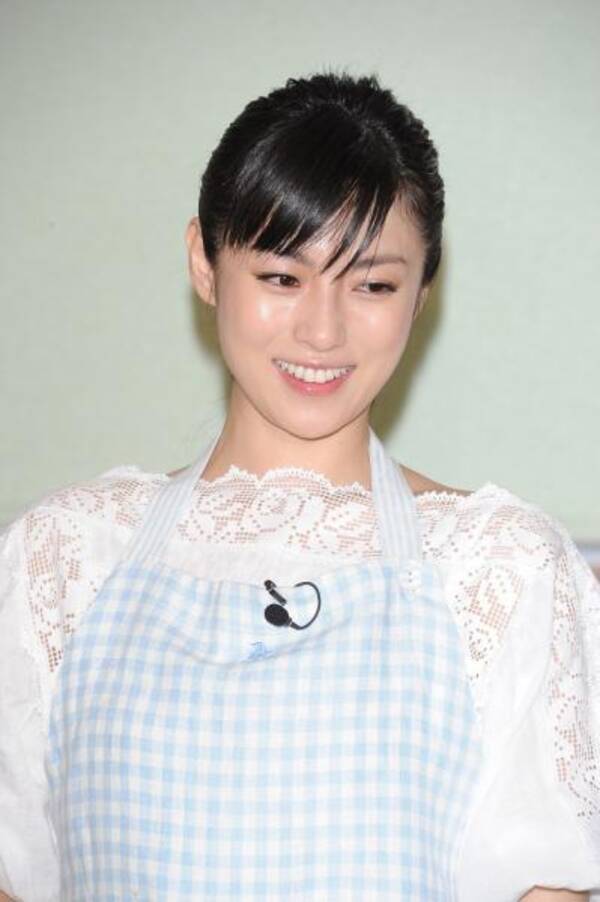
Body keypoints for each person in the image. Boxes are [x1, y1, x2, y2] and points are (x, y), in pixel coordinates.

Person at [0, 71, 598, 902]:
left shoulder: (501, 569)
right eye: (282, 277)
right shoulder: (62, 559)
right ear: (205, 263)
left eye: (373, 284)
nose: (322, 330)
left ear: (423, 291)